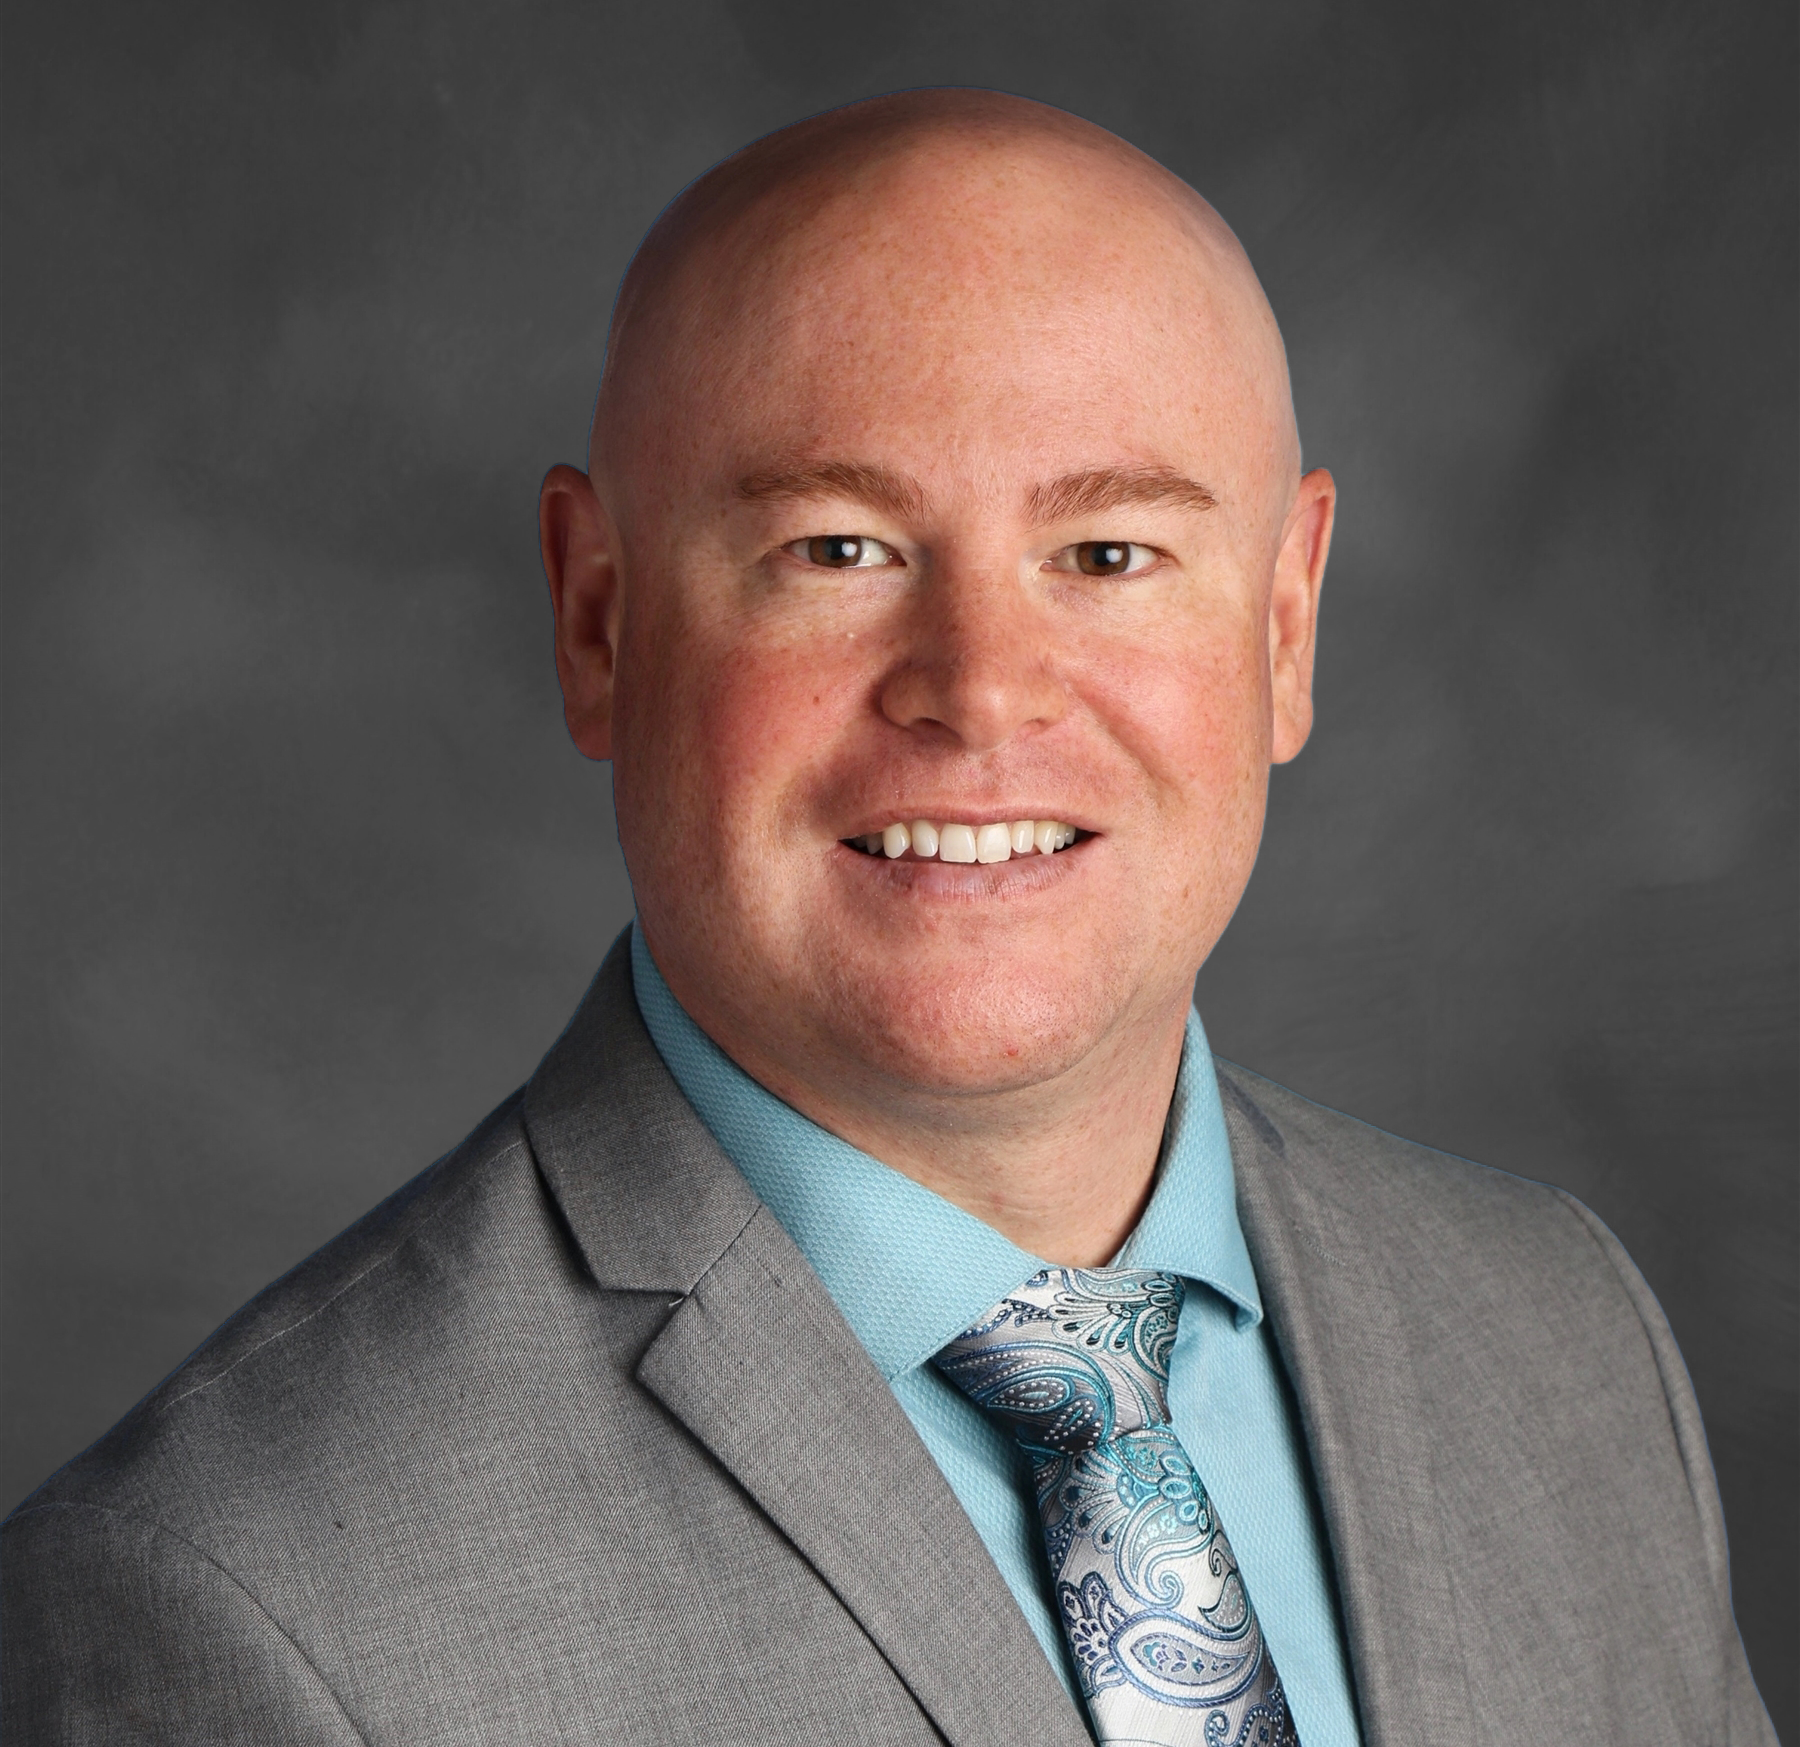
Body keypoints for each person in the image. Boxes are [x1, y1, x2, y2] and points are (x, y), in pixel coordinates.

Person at [2, 89, 1771, 1746]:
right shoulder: (237, 1601)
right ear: (599, 618)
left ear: (1287, 625)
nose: (982, 691)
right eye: (838, 550)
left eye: (1108, 556)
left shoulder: (1565, 1338)